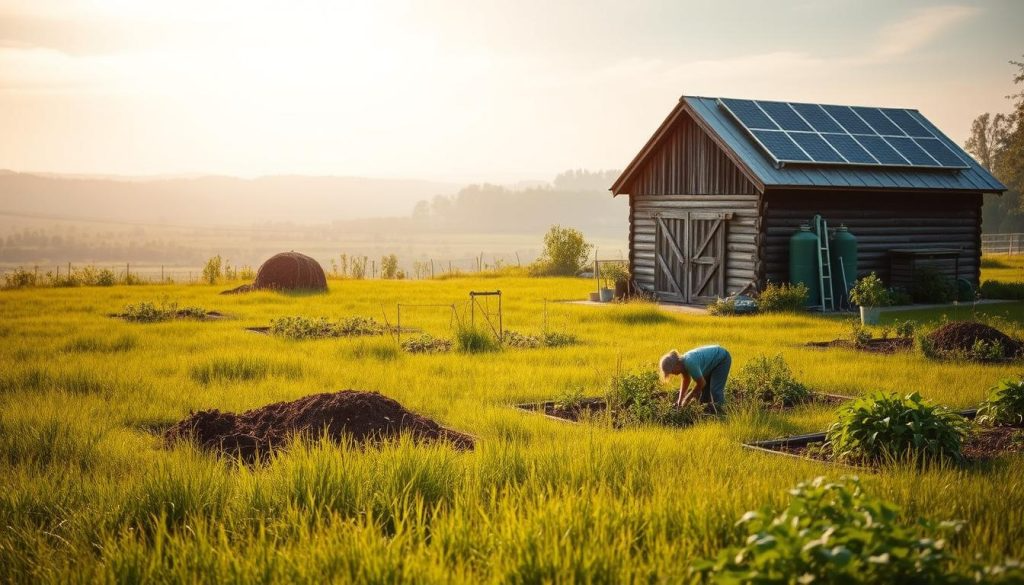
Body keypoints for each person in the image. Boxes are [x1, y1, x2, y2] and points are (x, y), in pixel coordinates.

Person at [658, 345, 732, 409]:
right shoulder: (683, 364)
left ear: (676, 365)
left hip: (722, 359)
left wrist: (687, 398)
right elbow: (686, 381)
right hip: (712, 363)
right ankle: (708, 416)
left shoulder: (690, 363)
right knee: (705, 394)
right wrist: (679, 401)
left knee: (715, 390)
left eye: (672, 371)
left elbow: (701, 383)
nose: (673, 374)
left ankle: (722, 413)